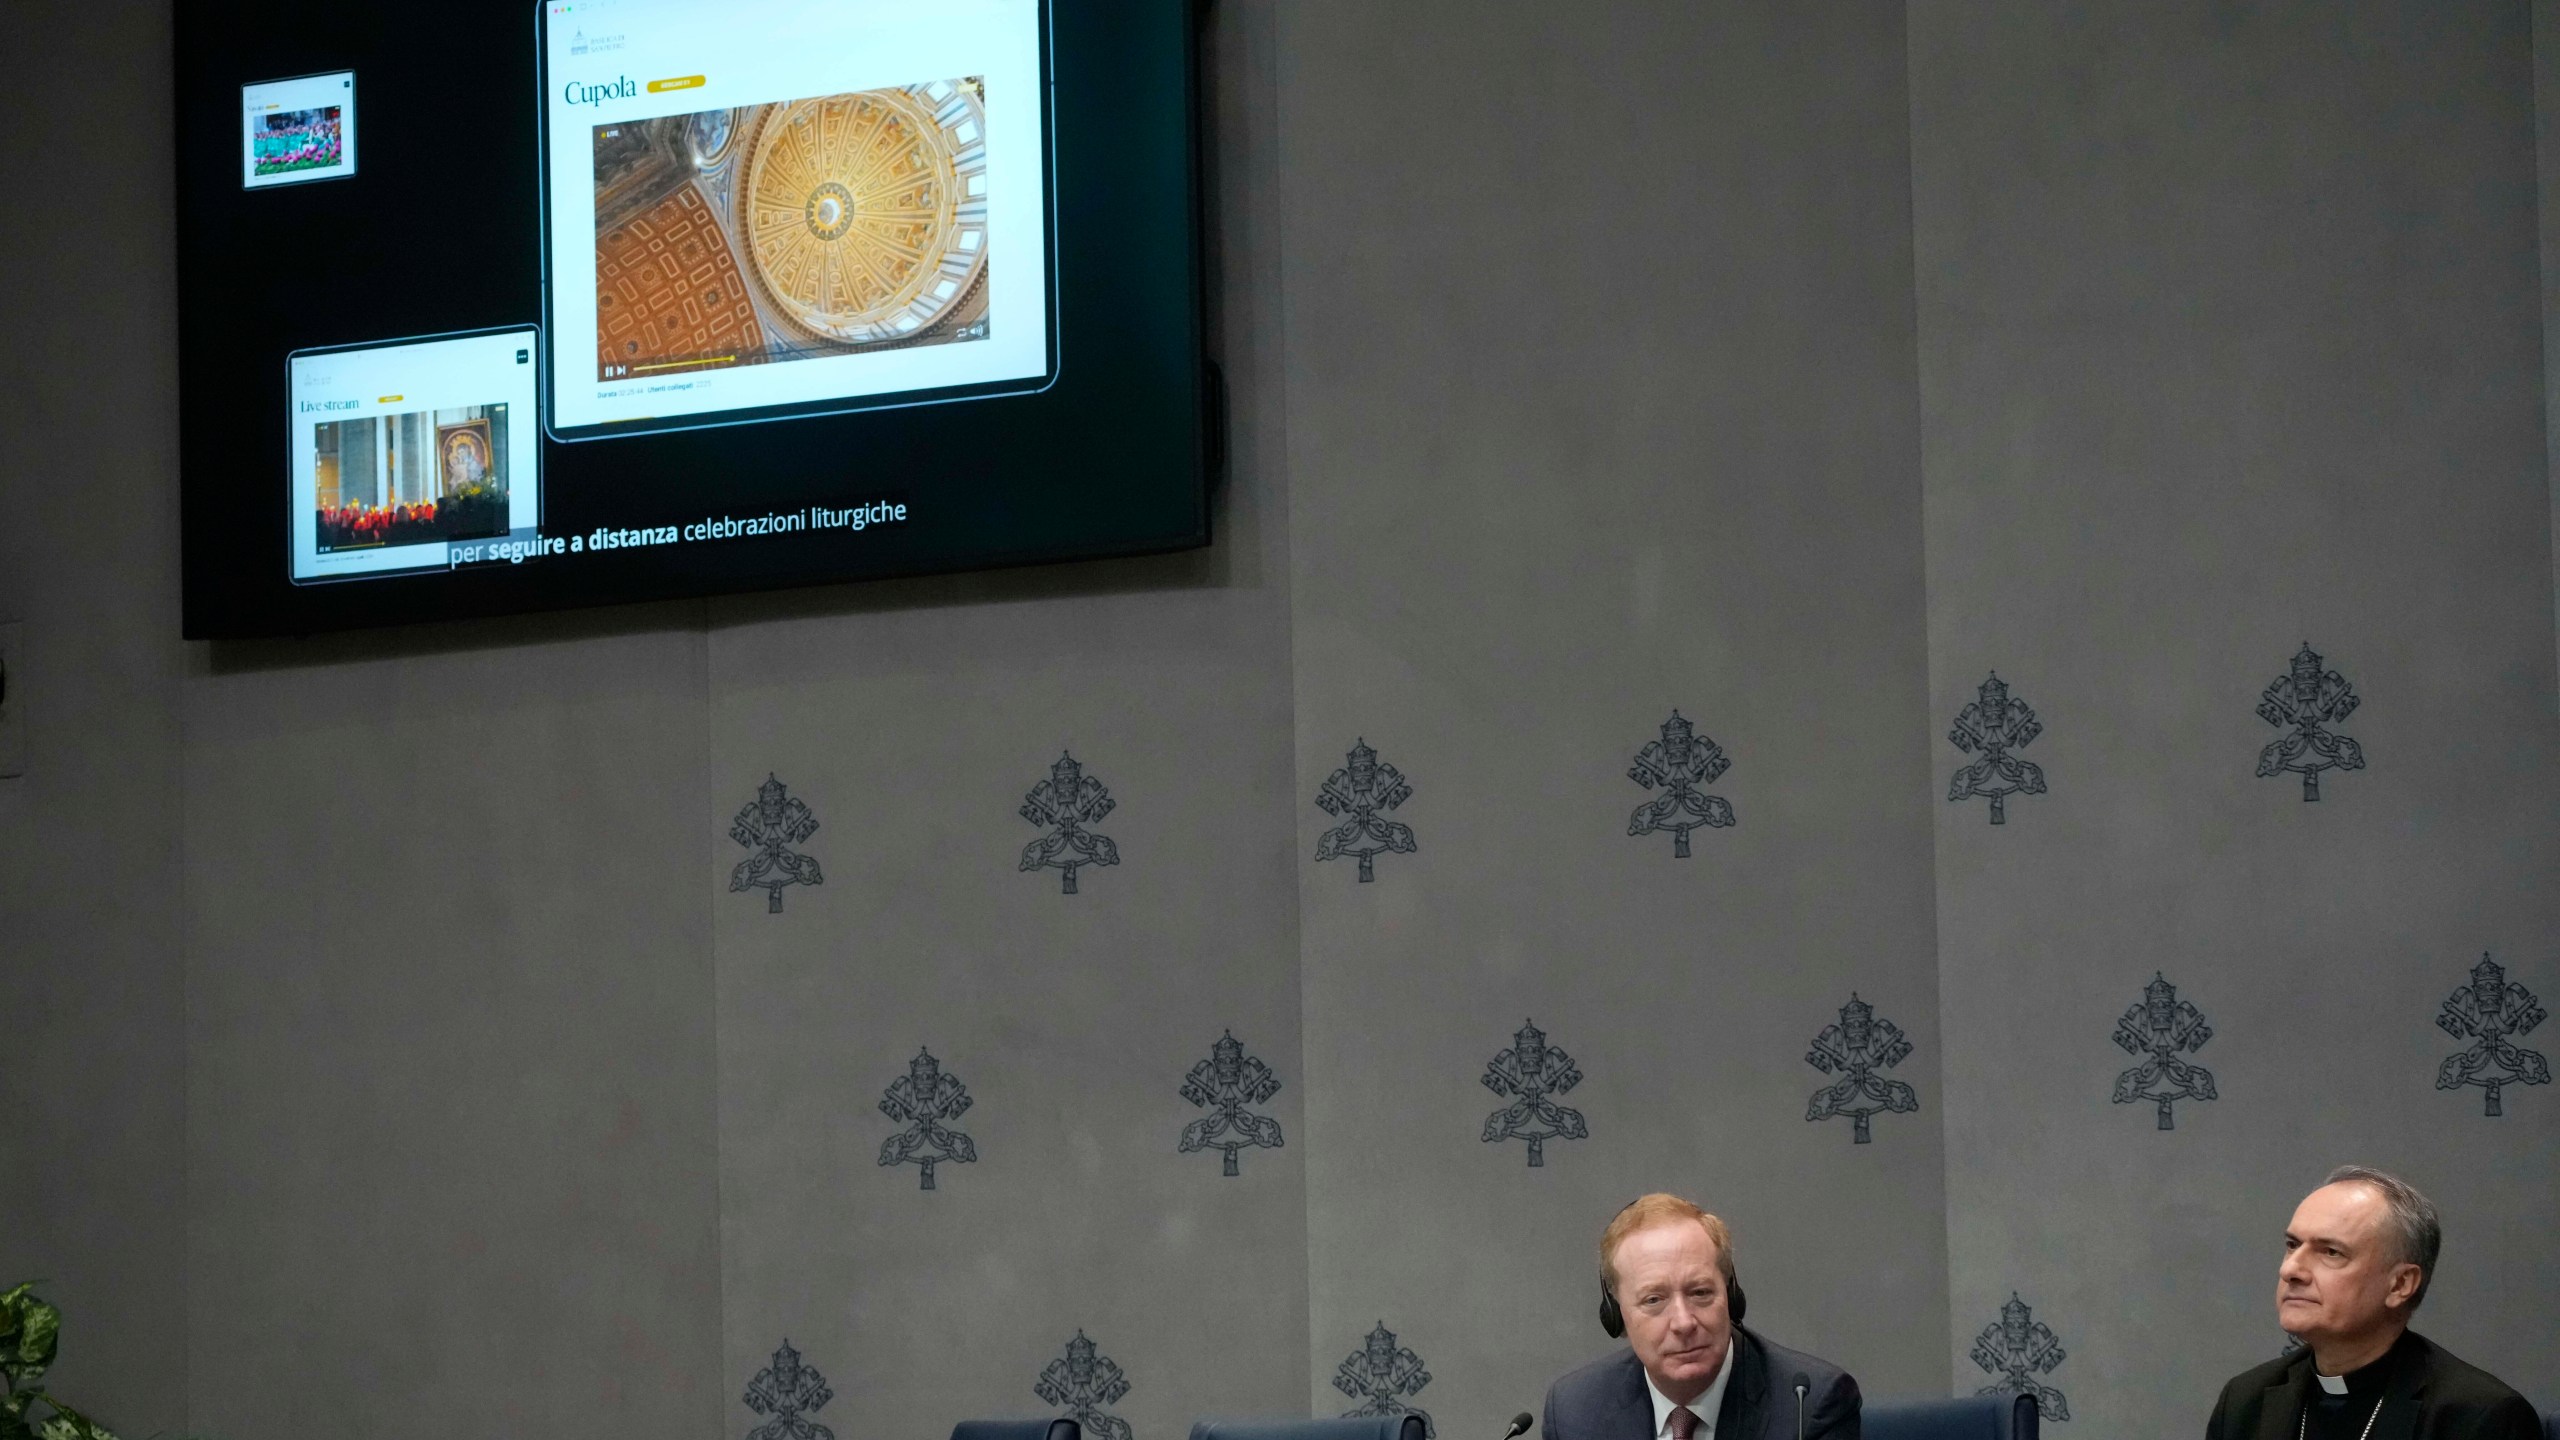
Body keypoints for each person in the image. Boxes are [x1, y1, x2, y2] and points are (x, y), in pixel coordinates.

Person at [2205, 1166, 2538, 1440]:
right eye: (2293, 1245)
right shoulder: (2246, 1400)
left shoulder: (2478, 1417)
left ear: (2400, 1284)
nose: (2290, 1269)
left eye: (2331, 1252)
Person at [1543, 1194, 1859, 1440]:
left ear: (1731, 1295)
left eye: (1700, 1293)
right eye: (1654, 1300)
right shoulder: (1575, 1412)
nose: (1683, 1322)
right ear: (1615, 1315)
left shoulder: (1809, 1405)